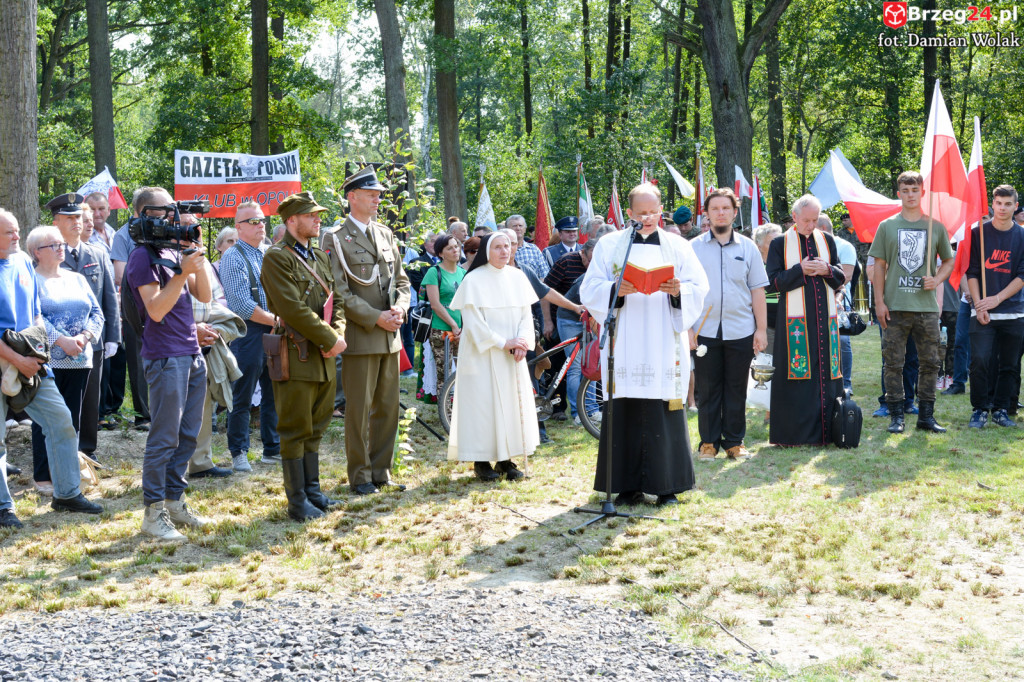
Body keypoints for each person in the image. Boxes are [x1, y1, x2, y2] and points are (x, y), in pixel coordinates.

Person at [581, 183, 708, 506]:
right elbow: (591, 287)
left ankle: (667, 487)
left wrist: (679, 290)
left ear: (661, 209)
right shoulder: (610, 245)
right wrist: (614, 290)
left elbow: (699, 286)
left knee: (662, 407)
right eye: (641, 213)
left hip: (663, 338)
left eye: (653, 212)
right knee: (625, 409)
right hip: (624, 340)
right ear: (629, 213)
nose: (648, 218)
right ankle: (626, 486)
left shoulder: (678, 246)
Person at [0, 208, 104, 529]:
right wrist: (17, 360)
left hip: (31, 359)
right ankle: (3, 508)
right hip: (6, 359)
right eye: (10, 233)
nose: (17, 236)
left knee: (61, 421)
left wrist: (33, 354)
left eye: (18, 231)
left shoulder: (20, 263)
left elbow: (34, 313)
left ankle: (67, 494)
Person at [125, 190, 214, 542]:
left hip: (191, 353)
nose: (174, 217)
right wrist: (181, 274)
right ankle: (153, 513)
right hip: (164, 357)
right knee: (164, 437)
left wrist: (197, 258)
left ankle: (175, 502)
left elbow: (204, 295)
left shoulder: (171, 250)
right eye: (167, 211)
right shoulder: (141, 257)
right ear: (146, 213)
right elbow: (156, 310)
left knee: (188, 434)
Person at [324, 167, 411, 495]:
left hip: (391, 335)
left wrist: (400, 308)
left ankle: (381, 471)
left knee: (388, 409)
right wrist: (376, 318)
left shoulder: (386, 234)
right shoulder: (334, 237)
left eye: (379, 195)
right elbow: (341, 292)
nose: (378, 199)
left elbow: (402, 281)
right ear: (352, 197)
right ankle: (359, 476)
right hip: (362, 336)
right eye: (372, 194)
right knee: (358, 411)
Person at [261, 192, 347, 520]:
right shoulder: (277, 257)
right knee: (296, 427)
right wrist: (328, 338)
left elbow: (335, 299)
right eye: (311, 215)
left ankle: (313, 492)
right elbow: (291, 308)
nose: (317, 219)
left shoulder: (318, 257)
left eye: (318, 214)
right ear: (291, 220)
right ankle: (297, 501)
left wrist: (335, 336)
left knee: (317, 426)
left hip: (324, 354)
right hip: (296, 352)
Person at [868, 171, 955, 433]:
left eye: (914, 190)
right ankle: (896, 415)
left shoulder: (935, 226)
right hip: (895, 306)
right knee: (893, 362)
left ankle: (926, 417)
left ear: (922, 193)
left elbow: (949, 260)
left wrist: (937, 279)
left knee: (931, 362)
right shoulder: (887, 226)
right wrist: (879, 303)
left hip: (926, 307)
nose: (910, 195)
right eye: (905, 191)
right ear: (899, 194)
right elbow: (879, 267)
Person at [448, 232, 538, 480]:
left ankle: (506, 459)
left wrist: (522, 343)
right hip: (483, 354)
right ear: (487, 251)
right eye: (498, 247)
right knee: (483, 405)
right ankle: (481, 461)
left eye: (507, 246)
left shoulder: (518, 277)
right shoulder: (474, 280)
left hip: (512, 356)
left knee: (509, 404)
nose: (504, 251)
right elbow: (474, 325)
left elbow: (525, 316)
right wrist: (503, 342)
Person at [690, 188, 769, 460]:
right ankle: (708, 444)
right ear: (707, 214)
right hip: (704, 331)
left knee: (736, 389)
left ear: (735, 213)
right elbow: (684, 292)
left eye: (726, 208)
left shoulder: (748, 248)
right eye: (715, 209)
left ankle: (735, 442)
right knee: (708, 390)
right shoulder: (693, 248)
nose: (720, 213)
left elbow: (758, 290)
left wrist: (760, 329)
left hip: (741, 330)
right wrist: (688, 328)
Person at [25, 224, 104, 495]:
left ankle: (70, 476)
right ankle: (44, 477)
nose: (61, 248)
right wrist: (62, 341)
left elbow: (97, 313)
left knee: (73, 419)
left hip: (80, 359)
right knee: (46, 420)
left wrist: (83, 338)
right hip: (48, 360)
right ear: (36, 252)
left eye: (61, 244)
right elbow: (35, 318)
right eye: (53, 245)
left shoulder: (77, 278)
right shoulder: (31, 280)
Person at [765, 196, 847, 446]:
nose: (812, 226)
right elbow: (773, 282)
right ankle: (794, 436)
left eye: (815, 220)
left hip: (825, 323)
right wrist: (800, 269)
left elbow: (840, 278)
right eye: (807, 220)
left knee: (826, 373)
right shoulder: (780, 244)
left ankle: (828, 432)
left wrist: (827, 270)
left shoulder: (827, 240)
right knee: (797, 376)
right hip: (795, 325)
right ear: (794, 216)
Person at [47, 194, 119, 464]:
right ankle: (61, 452)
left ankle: (87, 450)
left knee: (91, 401)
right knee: (60, 401)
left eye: (79, 217)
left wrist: (113, 337)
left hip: (92, 341)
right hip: (56, 344)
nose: (77, 222)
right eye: (69, 218)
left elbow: (108, 299)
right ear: (56, 223)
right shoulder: (46, 254)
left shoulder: (97, 253)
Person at [218, 202, 280, 471]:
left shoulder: (270, 252)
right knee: (242, 395)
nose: (260, 225)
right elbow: (241, 305)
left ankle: (272, 448)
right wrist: (278, 321)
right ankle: (239, 452)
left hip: (276, 329)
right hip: (249, 331)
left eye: (262, 220)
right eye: (253, 221)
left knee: (274, 391)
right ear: (239, 227)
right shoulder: (232, 256)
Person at [965, 184, 1024, 428]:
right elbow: (972, 271)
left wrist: (997, 299)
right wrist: (980, 306)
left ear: (1016, 206)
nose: (1002, 208)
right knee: (979, 360)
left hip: (1013, 311)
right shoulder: (978, 233)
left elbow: (1022, 275)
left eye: (1008, 204)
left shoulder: (1022, 236)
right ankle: (979, 409)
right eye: (998, 203)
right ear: (992, 203)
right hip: (982, 310)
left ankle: (1001, 409)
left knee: (1009, 364)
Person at [544, 225, 614, 420]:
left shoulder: (605, 270)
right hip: (569, 319)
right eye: (589, 260)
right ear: (583, 254)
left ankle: (590, 410)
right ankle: (578, 413)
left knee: (590, 363)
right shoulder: (570, 265)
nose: (592, 264)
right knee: (575, 366)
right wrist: (547, 321)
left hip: (590, 320)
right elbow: (545, 291)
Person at [109, 187, 159, 432]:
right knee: (138, 363)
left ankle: (163, 411)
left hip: (164, 304)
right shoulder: (123, 235)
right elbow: (120, 275)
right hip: (135, 307)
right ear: (141, 211)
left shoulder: (166, 234)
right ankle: (143, 415)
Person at [421, 233, 465, 392]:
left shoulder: (463, 273)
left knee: (464, 371)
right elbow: (435, 305)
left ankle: (461, 411)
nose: (455, 250)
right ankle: (446, 412)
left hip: (461, 330)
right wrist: (453, 325)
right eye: (450, 248)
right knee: (445, 374)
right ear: (440, 253)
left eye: (456, 246)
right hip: (441, 330)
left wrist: (462, 327)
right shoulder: (434, 272)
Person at [824, 215, 858, 393]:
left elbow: (847, 275)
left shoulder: (844, 246)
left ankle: (846, 383)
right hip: (816, 300)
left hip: (839, 302)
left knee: (842, 341)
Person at [507, 215, 548, 279]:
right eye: (514, 226)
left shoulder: (534, 250)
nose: (518, 228)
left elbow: (544, 275)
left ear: (525, 229)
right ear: (507, 229)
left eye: (520, 226)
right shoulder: (503, 251)